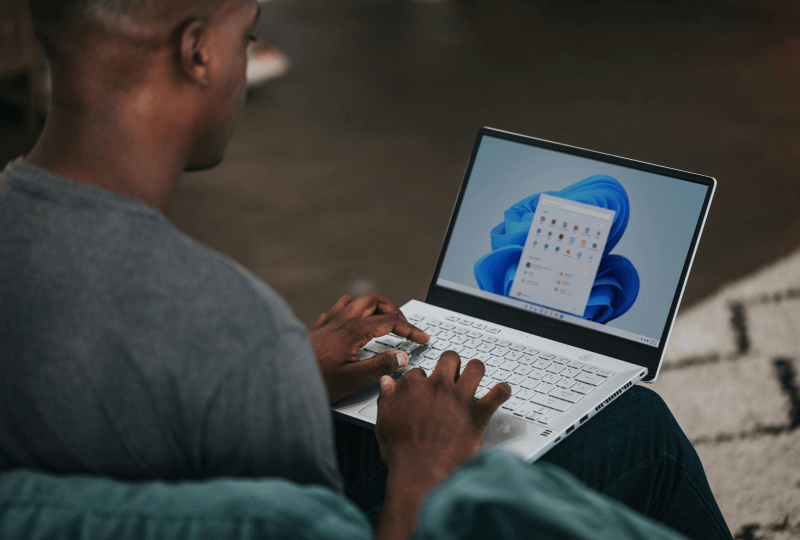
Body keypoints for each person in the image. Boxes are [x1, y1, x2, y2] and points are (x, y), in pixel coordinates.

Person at [0, 0, 733, 539]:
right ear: (198, 52)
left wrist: (295, 369)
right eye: (246, 36)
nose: (244, 54)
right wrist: (425, 465)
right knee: (639, 426)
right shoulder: (225, 322)